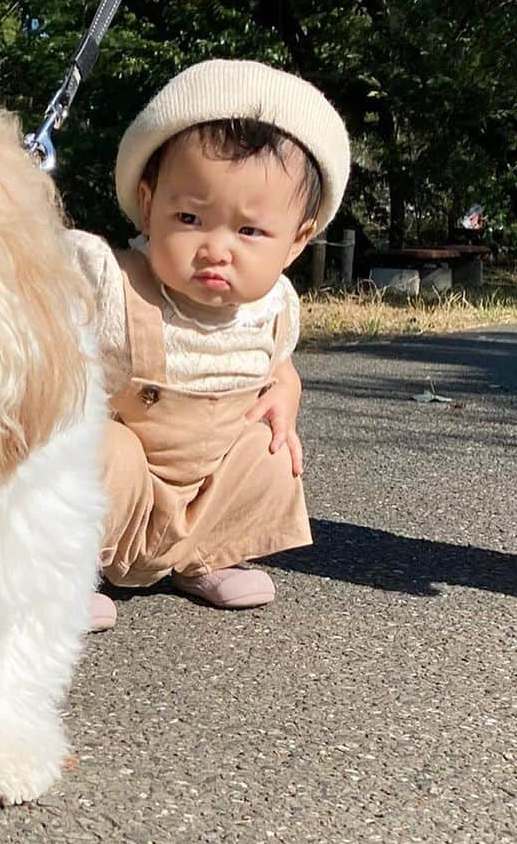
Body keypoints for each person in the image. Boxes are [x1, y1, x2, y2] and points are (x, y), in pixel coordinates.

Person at [71, 60, 350, 629]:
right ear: (147, 205)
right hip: (126, 490)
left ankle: (208, 554)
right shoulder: (112, 284)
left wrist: (287, 390)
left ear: (297, 242)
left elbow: (280, 367)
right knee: (91, 447)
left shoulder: (275, 308)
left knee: (270, 449)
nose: (217, 249)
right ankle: (64, 571)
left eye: (249, 231)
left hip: (204, 491)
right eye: (191, 217)